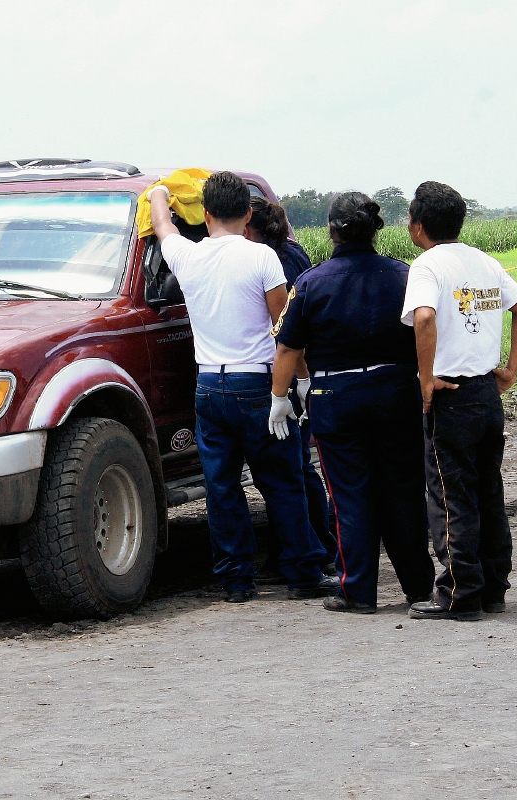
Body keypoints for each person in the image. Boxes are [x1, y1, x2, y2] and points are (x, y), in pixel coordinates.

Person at [148, 172, 337, 603]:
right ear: (248, 213)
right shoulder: (261, 259)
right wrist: (302, 382)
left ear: (207, 213)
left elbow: (164, 225)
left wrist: (161, 191)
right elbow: (284, 331)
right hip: (258, 384)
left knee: (221, 486)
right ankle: (303, 571)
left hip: (208, 385)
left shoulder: (187, 256)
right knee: (282, 481)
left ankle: (235, 579)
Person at [270, 192, 436, 613]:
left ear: (331, 231)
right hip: (398, 393)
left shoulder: (311, 282)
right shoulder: (404, 276)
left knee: (350, 497)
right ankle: (419, 586)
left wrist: (279, 398)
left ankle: (358, 591)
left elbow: (288, 350)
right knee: (403, 493)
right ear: (375, 230)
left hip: (336, 398)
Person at [400, 181, 517, 621]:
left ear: (418, 226)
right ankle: (494, 586)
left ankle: (460, 594)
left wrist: (425, 379)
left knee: (449, 494)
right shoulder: (484, 261)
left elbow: (424, 317)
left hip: (450, 394)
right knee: (487, 489)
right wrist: (511, 369)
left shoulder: (426, 266)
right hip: (485, 391)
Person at [243, 198, 337, 570]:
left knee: (291, 468)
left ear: (250, 228)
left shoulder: (270, 262)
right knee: (298, 466)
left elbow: (287, 332)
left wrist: (295, 381)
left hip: (289, 370)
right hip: (302, 369)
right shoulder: (292, 253)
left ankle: (309, 550)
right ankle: (318, 546)